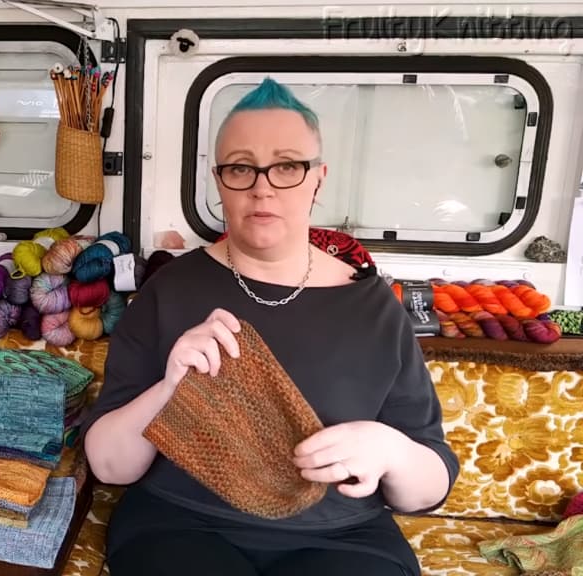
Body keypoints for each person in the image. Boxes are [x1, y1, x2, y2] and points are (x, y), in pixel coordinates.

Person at [80, 77, 459, 576]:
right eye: (241, 168)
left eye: (286, 166)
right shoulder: (169, 292)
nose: (262, 186)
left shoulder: (371, 307)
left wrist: (391, 450)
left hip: (344, 537)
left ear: (318, 178)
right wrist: (171, 388)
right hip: (181, 525)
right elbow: (110, 465)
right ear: (219, 180)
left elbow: (428, 487)